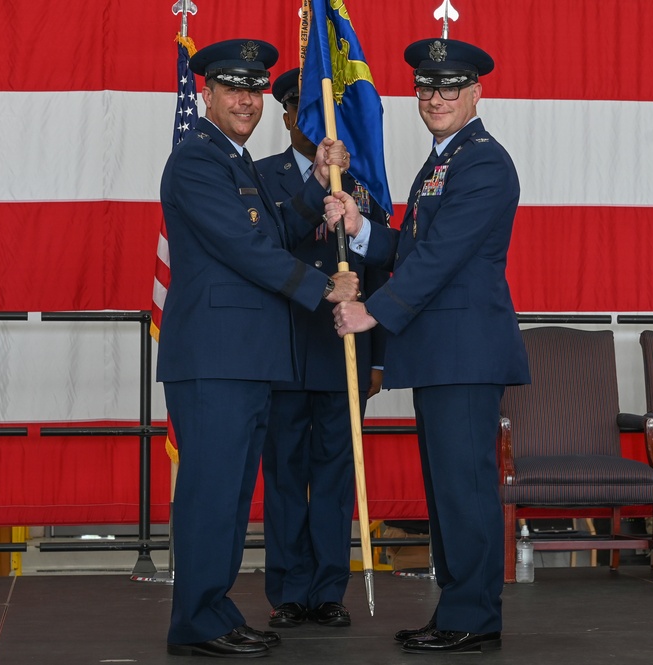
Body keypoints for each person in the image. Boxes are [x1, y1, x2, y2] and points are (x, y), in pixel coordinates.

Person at [323, 38, 530, 654]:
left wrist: (371, 312)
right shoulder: (444, 160)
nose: (436, 97)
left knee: (464, 489)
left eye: (449, 87)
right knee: (447, 492)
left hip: (464, 351)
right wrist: (361, 229)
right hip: (442, 351)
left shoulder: (483, 161)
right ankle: (458, 609)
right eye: (426, 88)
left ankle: (473, 616)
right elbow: (414, 248)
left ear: (476, 92)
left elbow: (442, 258)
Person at [158, 39, 359, 658]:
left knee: (228, 493)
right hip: (215, 359)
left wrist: (317, 181)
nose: (245, 100)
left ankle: (212, 610)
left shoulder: (235, 160)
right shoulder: (197, 159)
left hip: (241, 360)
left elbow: (267, 230)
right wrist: (327, 287)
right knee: (212, 494)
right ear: (208, 94)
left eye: (254, 90)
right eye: (233, 89)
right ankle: (197, 620)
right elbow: (246, 250)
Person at [255, 68, 389, 631]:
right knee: (285, 476)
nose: (310, 123)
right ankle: (288, 590)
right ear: (289, 118)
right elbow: (263, 253)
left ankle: (329, 588)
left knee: (335, 477)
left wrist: (378, 355)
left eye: (319, 113)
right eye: (301, 113)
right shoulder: (261, 177)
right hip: (282, 350)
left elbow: (382, 271)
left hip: (344, 352)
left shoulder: (364, 184)